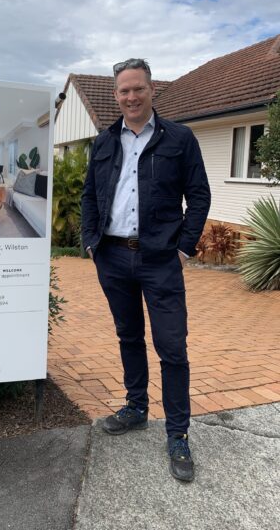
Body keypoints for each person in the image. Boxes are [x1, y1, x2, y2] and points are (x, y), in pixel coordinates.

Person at [81, 58, 210, 482]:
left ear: (152, 89)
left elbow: (200, 195)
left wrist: (183, 248)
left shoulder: (180, 138)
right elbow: (90, 197)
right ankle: (136, 407)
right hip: (113, 256)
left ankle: (177, 434)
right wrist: (90, 241)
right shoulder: (103, 142)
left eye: (138, 89)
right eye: (124, 91)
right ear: (116, 95)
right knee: (128, 335)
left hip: (160, 259)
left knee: (172, 347)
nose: (131, 97)